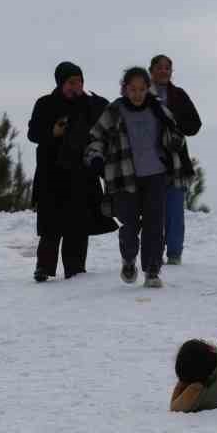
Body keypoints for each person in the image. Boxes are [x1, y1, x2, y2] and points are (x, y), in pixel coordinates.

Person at [86, 66, 191, 288]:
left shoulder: (158, 109)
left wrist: (173, 140)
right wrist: (95, 158)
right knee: (130, 225)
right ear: (124, 89)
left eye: (142, 89)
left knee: (155, 224)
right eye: (132, 89)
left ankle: (152, 270)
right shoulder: (115, 110)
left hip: (156, 175)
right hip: (124, 177)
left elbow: (177, 135)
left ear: (147, 89)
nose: (137, 94)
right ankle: (128, 258)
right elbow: (96, 138)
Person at [26, 61, 116, 281]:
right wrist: (53, 132)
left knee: (79, 224)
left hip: (82, 174)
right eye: (70, 82)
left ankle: (75, 269)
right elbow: (33, 133)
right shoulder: (46, 104)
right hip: (52, 174)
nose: (75, 87)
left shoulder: (91, 105)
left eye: (79, 82)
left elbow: (108, 124)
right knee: (51, 225)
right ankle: (44, 268)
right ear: (60, 83)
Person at [149, 54, 202, 266]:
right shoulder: (141, 93)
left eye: (167, 68)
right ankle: (153, 251)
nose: (164, 71)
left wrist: (174, 124)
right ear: (151, 70)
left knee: (174, 210)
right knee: (151, 211)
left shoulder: (178, 95)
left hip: (176, 160)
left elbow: (195, 124)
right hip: (148, 159)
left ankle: (174, 254)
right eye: (159, 67)